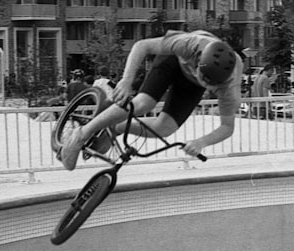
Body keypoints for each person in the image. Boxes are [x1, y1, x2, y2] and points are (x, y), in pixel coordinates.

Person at [54, 30, 241, 170]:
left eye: (211, 86)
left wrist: (201, 142)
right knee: (144, 103)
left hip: (190, 86)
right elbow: (141, 46)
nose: (209, 89)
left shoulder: (227, 86)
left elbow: (227, 127)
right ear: (199, 60)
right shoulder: (188, 43)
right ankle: (81, 135)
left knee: (165, 128)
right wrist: (126, 80)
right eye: (204, 80)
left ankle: (115, 127)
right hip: (172, 61)